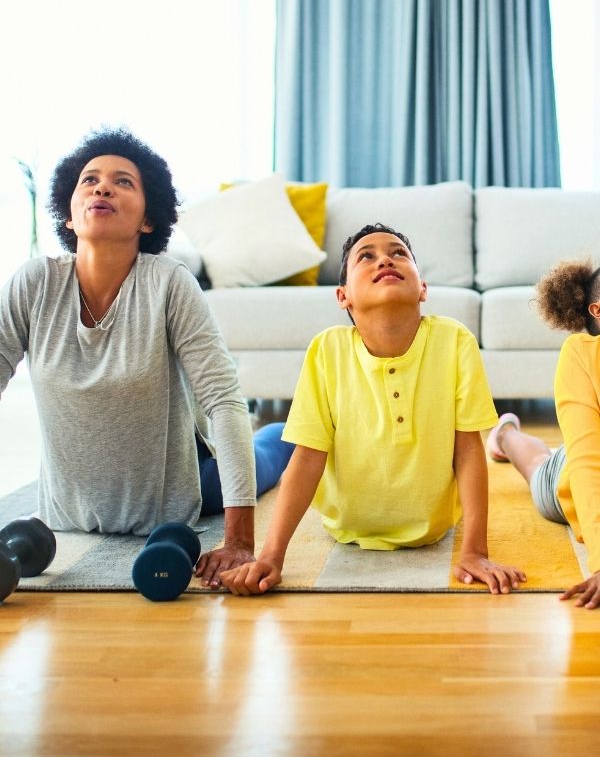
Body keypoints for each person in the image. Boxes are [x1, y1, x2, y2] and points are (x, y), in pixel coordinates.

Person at [0, 128, 293, 588]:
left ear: (148, 221)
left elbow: (223, 400)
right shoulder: (34, 283)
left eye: (123, 182)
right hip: (69, 513)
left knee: (271, 452)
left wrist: (239, 539)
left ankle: (285, 434)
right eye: (90, 179)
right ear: (69, 214)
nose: (102, 187)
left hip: (184, 491)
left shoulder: (169, 283)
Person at [221, 223, 526, 595]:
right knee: (289, 443)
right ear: (343, 295)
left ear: (423, 289)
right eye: (366, 256)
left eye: (399, 253)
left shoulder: (456, 340)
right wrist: (271, 556)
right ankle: (273, 435)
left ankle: (507, 436)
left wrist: (475, 551)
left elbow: (467, 449)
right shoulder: (326, 349)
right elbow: (308, 457)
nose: (385, 258)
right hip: (344, 524)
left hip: (431, 528)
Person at [486, 259, 600, 609]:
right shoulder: (580, 355)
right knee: (539, 462)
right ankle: (505, 434)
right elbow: (586, 463)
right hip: (574, 476)